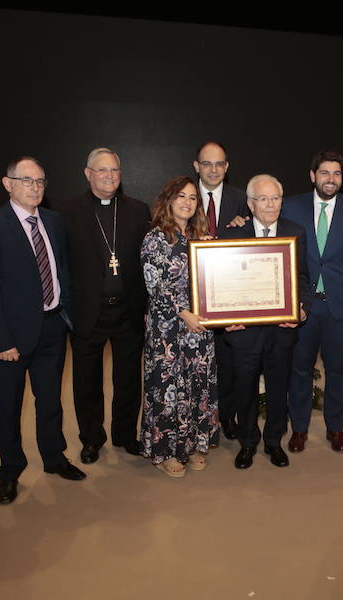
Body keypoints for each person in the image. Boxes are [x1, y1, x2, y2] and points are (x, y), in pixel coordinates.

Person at [0, 157, 85, 506]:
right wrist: (1, 340)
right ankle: (9, 470)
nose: (35, 187)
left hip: (52, 327)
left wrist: (67, 315)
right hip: (12, 338)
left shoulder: (52, 221)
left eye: (40, 181)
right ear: (8, 184)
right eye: (26, 180)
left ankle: (54, 457)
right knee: (8, 407)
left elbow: (61, 269)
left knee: (50, 400)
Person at [282, 150, 343, 453]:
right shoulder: (290, 206)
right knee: (300, 369)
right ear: (313, 176)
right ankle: (299, 429)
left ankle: (335, 428)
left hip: (341, 306)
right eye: (325, 173)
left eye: (336, 174)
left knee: (338, 369)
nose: (330, 179)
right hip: (304, 306)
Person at [59, 148, 150, 464]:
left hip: (128, 310)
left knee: (128, 379)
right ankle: (91, 439)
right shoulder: (67, 213)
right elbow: (62, 266)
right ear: (87, 174)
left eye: (115, 170)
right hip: (88, 312)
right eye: (102, 170)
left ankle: (125, 435)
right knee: (87, 381)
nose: (109, 176)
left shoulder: (139, 211)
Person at [223, 174, 311, 469]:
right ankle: (247, 442)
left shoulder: (295, 232)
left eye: (275, 198)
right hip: (243, 332)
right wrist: (224, 319)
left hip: (281, 329)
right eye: (263, 199)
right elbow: (225, 284)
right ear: (250, 203)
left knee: (277, 387)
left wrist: (301, 310)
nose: (271, 204)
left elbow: (302, 278)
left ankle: (274, 441)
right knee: (244, 388)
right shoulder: (233, 235)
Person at [140, 175, 218, 478]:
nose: (187, 202)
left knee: (198, 384)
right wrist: (186, 314)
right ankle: (165, 452)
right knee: (167, 388)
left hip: (201, 327)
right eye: (181, 196)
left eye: (193, 197)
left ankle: (196, 444)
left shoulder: (202, 236)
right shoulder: (156, 238)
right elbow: (155, 286)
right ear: (169, 200)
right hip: (168, 329)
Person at [194, 141, 250, 440]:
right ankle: (197, 420)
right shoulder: (184, 198)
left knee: (228, 364)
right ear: (196, 166)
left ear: (226, 168)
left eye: (219, 164)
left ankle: (227, 417)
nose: (213, 170)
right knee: (196, 363)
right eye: (207, 164)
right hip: (193, 295)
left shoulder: (242, 200)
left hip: (229, 295)